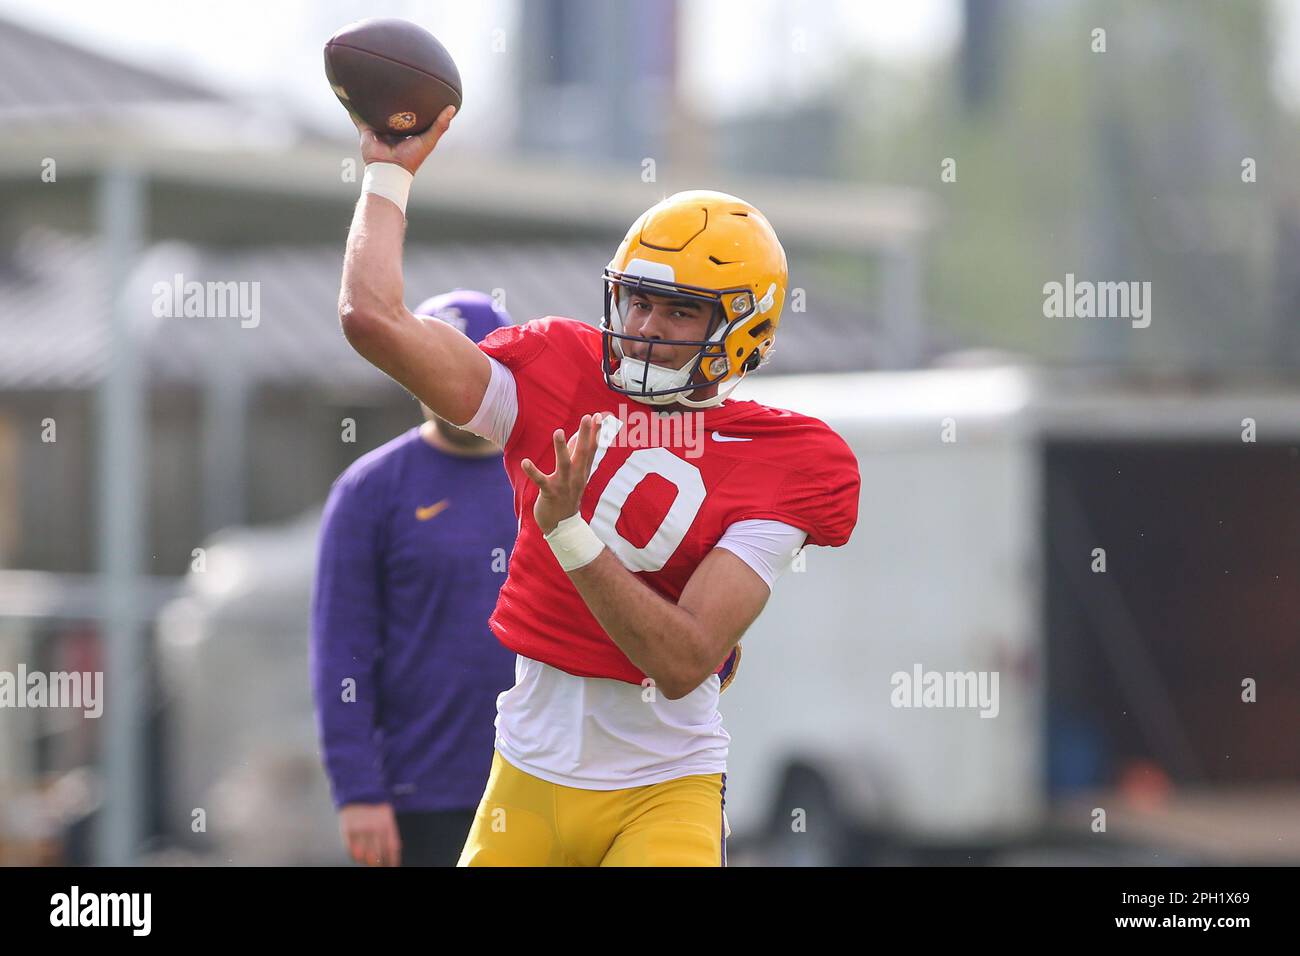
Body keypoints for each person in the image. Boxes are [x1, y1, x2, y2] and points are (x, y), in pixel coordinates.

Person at [337, 106, 861, 866]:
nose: (645, 326)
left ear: (743, 330)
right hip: (529, 772)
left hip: (663, 785)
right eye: (638, 299)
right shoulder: (555, 370)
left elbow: (682, 663)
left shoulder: (785, 459)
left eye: (680, 311)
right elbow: (372, 320)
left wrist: (570, 532)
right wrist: (388, 170)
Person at [310, 290, 518, 866]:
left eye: (467, 367)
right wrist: (357, 789)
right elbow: (340, 650)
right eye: (428, 367)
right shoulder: (370, 490)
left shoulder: (553, 474)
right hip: (422, 795)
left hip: (550, 783)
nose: (448, 386)